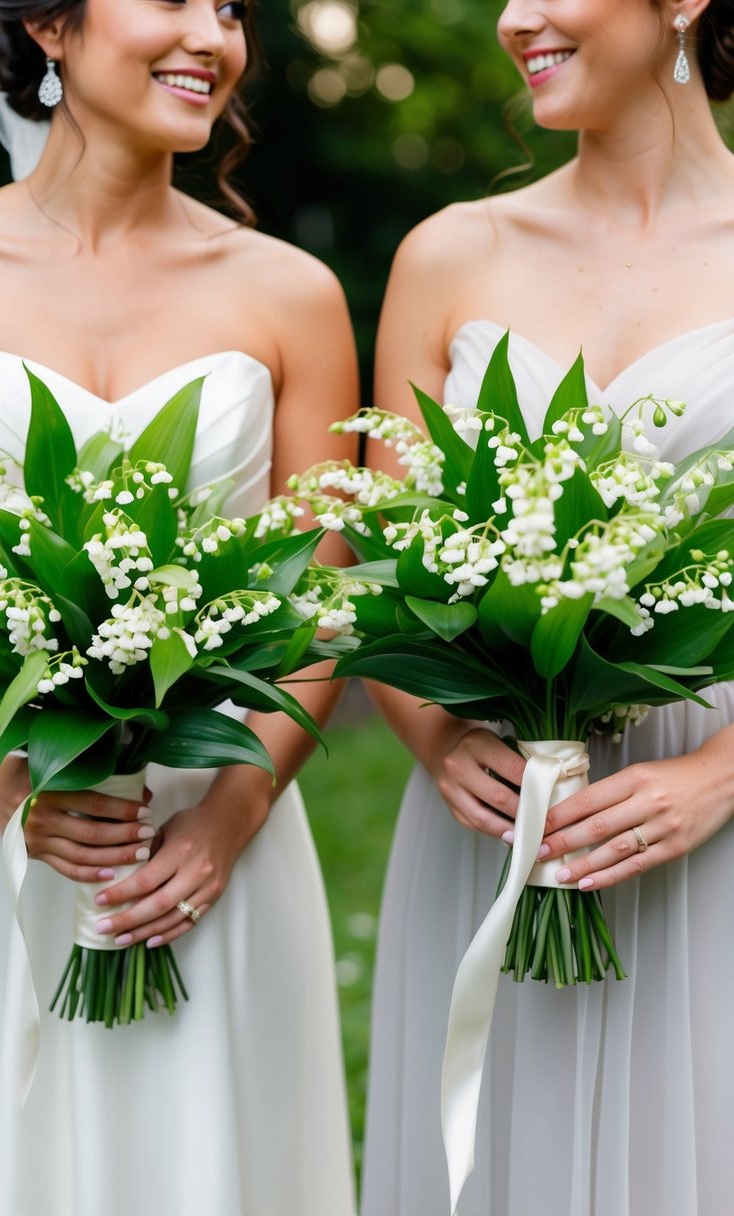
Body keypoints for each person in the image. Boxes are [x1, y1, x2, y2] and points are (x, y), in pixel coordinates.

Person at [0, 2, 359, 1214]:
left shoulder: (293, 293)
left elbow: (321, 607)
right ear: (49, 25)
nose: (211, 36)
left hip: (214, 841)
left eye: (229, 11)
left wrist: (225, 820)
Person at [361, 3, 734, 1215]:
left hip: (705, 812)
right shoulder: (448, 254)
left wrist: (720, 774)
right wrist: (435, 733)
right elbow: (371, 571)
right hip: (496, 823)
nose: (515, 18)